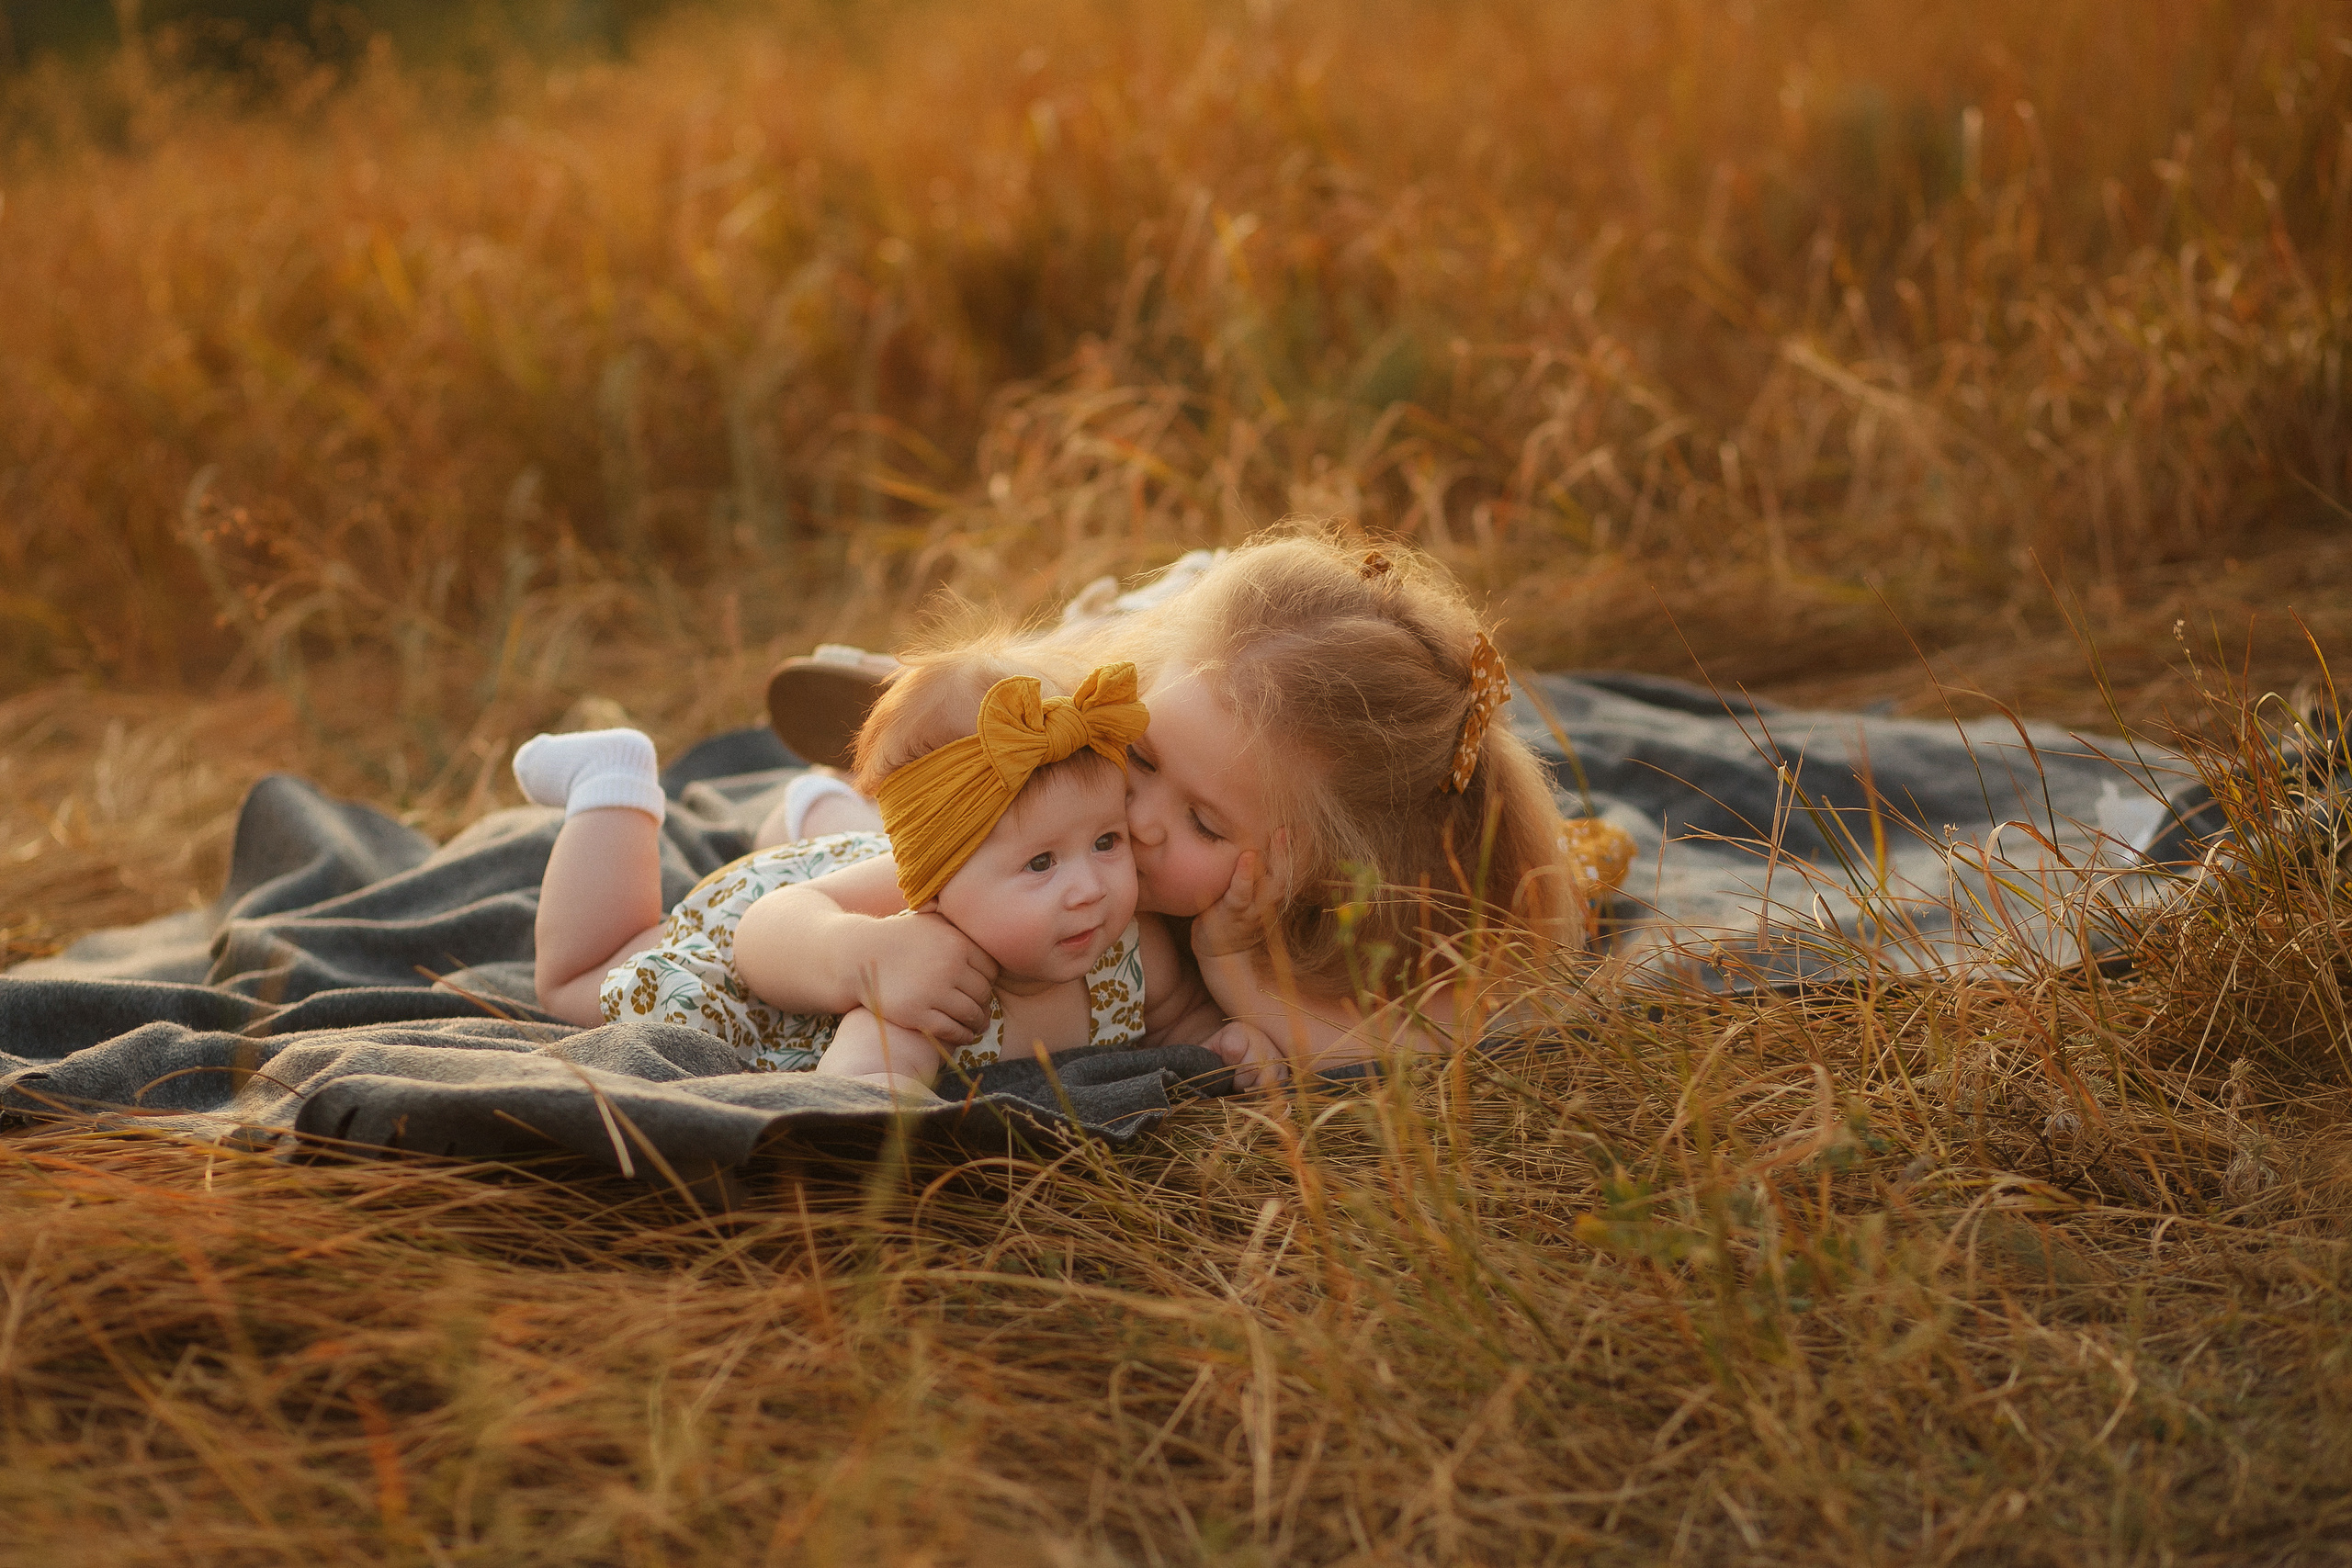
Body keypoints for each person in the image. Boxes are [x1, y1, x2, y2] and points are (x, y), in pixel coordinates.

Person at [747, 527, 1630, 1081]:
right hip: (954, 838)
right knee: (842, 820)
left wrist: (1236, 969)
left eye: (1204, 822)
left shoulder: (1336, 924)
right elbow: (783, 915)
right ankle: (924, 725)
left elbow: (1436, 1044)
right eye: (1141, 756)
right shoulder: (1073, 839)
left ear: (1327, 875)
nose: (1139, 820)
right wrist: (858, 953)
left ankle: (955, 705)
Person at [515, 646, 1261, 1096]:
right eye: (1041, 862)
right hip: (777, 942)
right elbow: (765, 932)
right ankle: (612, 783)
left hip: (856, 872)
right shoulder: (929, 965)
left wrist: (1228, 1044)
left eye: (1106, 841)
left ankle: (816, 803)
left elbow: (1178, 1019)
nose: (1089, 888)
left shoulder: (1134, 951)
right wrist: (864, 959)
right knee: (579, 980)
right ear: (937, 880)